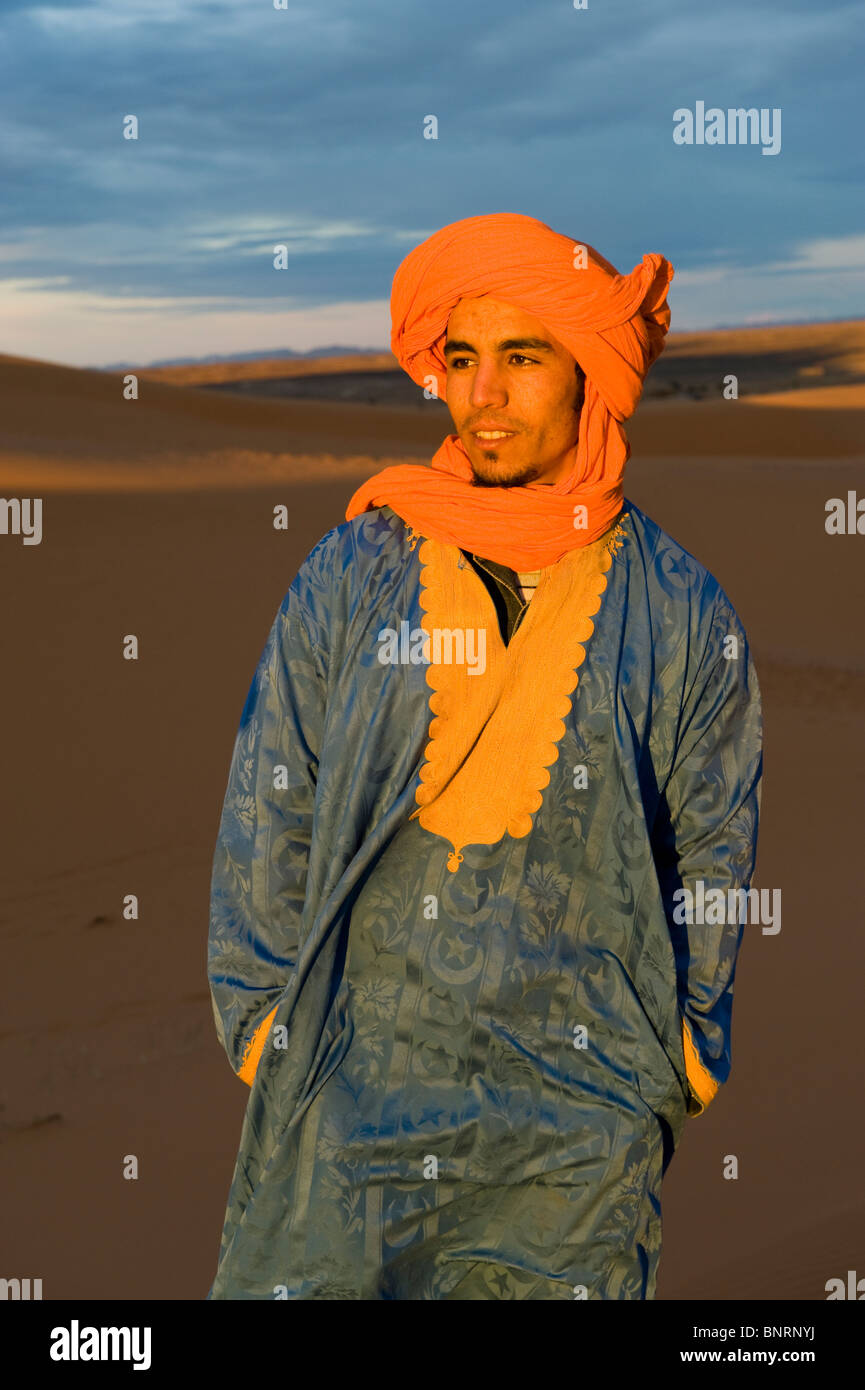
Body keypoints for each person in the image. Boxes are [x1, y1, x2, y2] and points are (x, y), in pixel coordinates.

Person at [206, 213, 762, 1301]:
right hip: (348, 1113)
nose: (485, 395)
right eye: (462, 360)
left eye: (522, 359)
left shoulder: (682, 609)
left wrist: (681, 1058)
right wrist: (265, 1023)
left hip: (577, 1141)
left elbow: (715, 846)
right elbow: (269, 799)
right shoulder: (352, 572)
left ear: (588, 376)